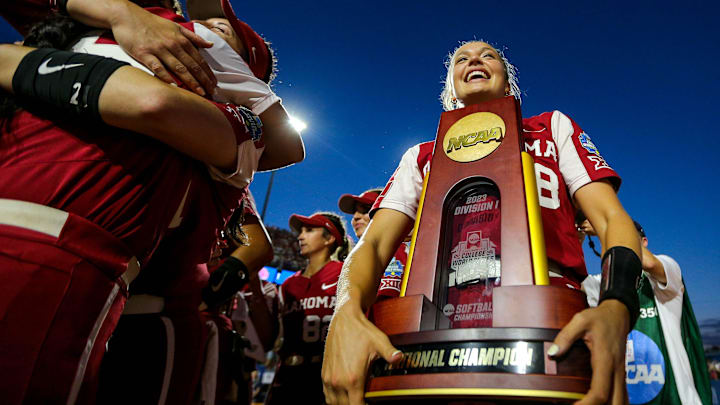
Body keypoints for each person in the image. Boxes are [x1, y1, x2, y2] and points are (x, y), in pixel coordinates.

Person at [0, 9, 301, 404]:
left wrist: (23, 66)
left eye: (220, 32)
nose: (198, 28)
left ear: (238, 68)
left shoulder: (234, 125)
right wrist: (116, 13)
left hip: (70, 261)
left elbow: (152, 103)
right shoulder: (101, 37)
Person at [322, 40, 643, 405]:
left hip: (548, 323)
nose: (474, 59)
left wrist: (617, 304)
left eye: (488, 55)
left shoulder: (551, 129)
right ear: (451, 88)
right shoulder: (420, 156)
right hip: (427, 336)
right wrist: (346, 312)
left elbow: (611, 217)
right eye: (461, 58)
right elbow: (374, 245)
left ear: (508, 84)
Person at [581, 220, 712, 404]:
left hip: (674, 399)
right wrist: (578, 232)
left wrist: (607, 226)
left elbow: (648, 262)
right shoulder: (601, 285)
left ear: (644, 242)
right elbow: (573, 281)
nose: (618, 244)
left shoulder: (667, 270)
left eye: (625, 237)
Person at [265, 212, 351, 405]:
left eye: (309, 230)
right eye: (301, 231)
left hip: (326, 375)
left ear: (329, 238)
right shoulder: (289, 284)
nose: (300, 236)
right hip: (287, 375)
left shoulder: (345, 274)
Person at [338, 188, 408, 299]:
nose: (355, 217)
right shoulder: (362, 256)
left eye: (366, 210)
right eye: (354, 212)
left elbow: (385, 305)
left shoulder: (395, 250)